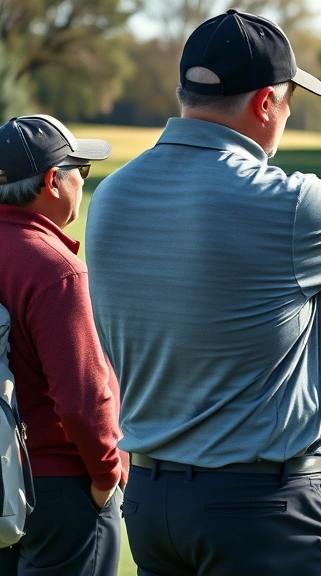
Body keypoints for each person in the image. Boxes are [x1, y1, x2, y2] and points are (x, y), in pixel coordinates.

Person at [85, 10, 321, 576]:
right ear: (265, 103)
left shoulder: (113, 194)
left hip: (150, 501)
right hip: (258, 511)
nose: (289, 113)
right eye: (289, 100)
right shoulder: (288, 203)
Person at [0, 115, 126, 576]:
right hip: (57, 490)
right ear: (53, 180)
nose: (82, 182)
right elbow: (82, 401)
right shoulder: (57, 269)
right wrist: (106, 475)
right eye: (82, 171)